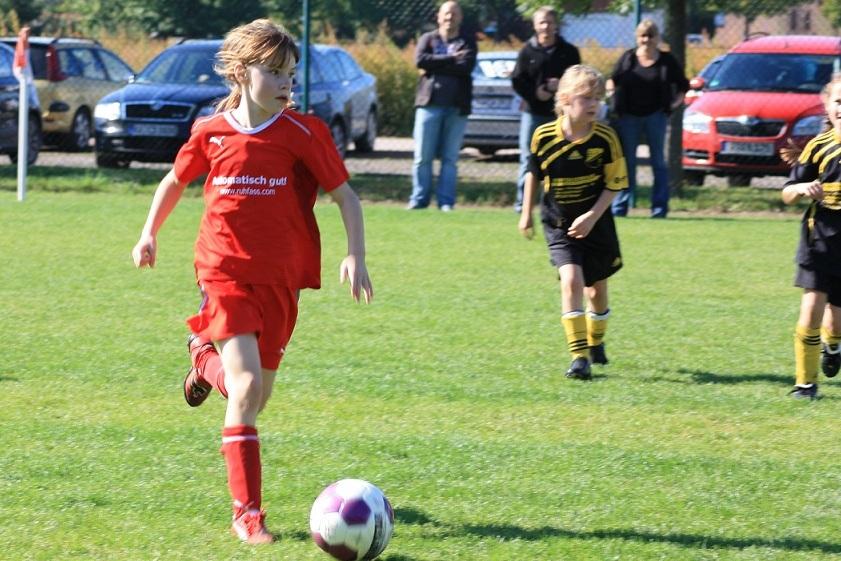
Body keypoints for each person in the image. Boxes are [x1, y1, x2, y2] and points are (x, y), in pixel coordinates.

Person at [131, 19, 373, 543]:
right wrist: (149, 233)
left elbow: (346, 197)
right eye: (276, 72)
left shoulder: (304, 133)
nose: (287, 83)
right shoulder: (211, 132)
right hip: (223, 273)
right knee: (243, 392)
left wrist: (356, 254)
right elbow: (175, 180)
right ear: (242, 73)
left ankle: (202, 361)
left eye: (291, 73)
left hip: (280, 283)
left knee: (254, 398)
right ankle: (248, 514)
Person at [518, 64, 628, 380]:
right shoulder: (543, 135)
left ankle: (596, 342)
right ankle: (579, 358)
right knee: (571, 282)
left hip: (597, 223)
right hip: (559, 221)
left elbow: (615, 183)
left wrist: (592, 216)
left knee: (597, 290)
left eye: (597, 97)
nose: (593, 104)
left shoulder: (607, 137)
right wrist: (526, 213)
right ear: (565, 100)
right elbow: (533, 173)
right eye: (586, 97)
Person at [781, 74, 841, 400]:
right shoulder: (818, 147)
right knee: (811, 307)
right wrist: (802, 188)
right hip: (817, 240)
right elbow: (786, 193)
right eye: (839, 101)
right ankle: (805, 384)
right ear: (827, 105)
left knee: (836, 323)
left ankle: (834, 346)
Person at [606, 19, 688, 218]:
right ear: (637, 38)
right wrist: (610, 92)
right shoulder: (627, 58)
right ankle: (620, 207)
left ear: (658, 38)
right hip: (628, 117)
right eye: (643, 36)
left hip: (656, 117)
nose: (646, 40)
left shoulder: (667, 60)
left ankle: (659, 208)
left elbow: (683, 85)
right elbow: (612, 79)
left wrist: (673, 104)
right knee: (627, 163)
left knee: (658, 162)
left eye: (651, 35)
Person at [408, 0, 477, 212]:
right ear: (438, 17)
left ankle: (446, 202)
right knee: (422, 157)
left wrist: (435, 65)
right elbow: (420, 61)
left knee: (450, 159)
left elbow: (465, 67)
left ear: (460, 18)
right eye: (446, 14)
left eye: (454, 14)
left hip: (456, 107)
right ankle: (419, 200)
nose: (450, 18)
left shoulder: (467, 42)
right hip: (429, 105)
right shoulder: (427, 39)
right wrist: (450, 58)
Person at [510, 6, 580, 213]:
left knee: (560, 158)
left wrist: (560, 87)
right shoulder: (527, 51)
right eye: (542, 22)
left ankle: (558, 203)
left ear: (556, 25)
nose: (546, 27)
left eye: (549, 22)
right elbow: (517, 80)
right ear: (534, 25)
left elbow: (578, 80)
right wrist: (535, 94)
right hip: (533, 113)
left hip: (560, 115)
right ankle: (523, 204)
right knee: (528, 158)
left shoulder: (569, 52)